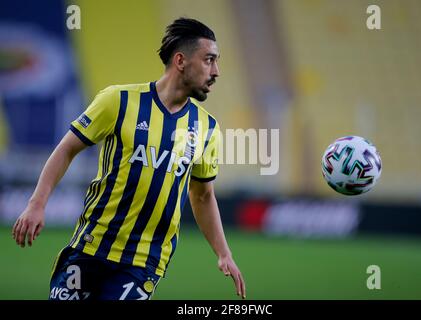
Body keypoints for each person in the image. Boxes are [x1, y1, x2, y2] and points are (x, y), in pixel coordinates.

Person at [12, 17, 246, 300]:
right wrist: (36, 204)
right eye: (209, 60)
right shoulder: (118, 101)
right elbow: (67, 149)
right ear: (181, 61)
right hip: (90, 248)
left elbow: (203, 196)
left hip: (142, 264)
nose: (216, 71)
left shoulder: (207, 129)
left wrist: (224, 253)